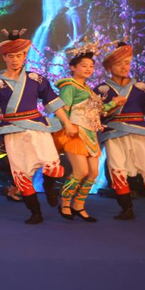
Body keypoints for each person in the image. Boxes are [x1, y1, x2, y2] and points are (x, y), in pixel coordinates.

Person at [0, 29, 75, 224]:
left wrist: (67, 123)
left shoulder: (36, 78)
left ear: (25, 56)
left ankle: (49, 188)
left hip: (37, 127)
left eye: (19, 55)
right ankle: (35, 212)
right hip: (12, 130)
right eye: (11, 56)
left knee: (53, 168)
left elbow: (52, 100)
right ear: (4, 57)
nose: (15, 60)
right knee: (21, 176)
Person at [52, 41, 126, 222]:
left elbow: (98, 111)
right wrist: (67, 125)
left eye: (91, 66)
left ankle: (79, 205)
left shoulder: (88, 90)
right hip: (75, 132)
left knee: (93, 173)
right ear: (73, 67)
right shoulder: (69, 86)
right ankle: (65, 203)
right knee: (81, 171)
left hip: (91, 134)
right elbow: (62, 109)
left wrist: (114, 103)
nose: (88, 69)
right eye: (84, 65)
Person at [96, 42, 145, 220]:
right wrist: (110, 106)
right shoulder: (101, 90)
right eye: (119, 64)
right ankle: (126, 209)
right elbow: (96, 114)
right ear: (109, 67)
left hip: (140, 131)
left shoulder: (141, 87)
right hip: (114, 132)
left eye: (127, 63)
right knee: (117, 170)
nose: (124, 67)